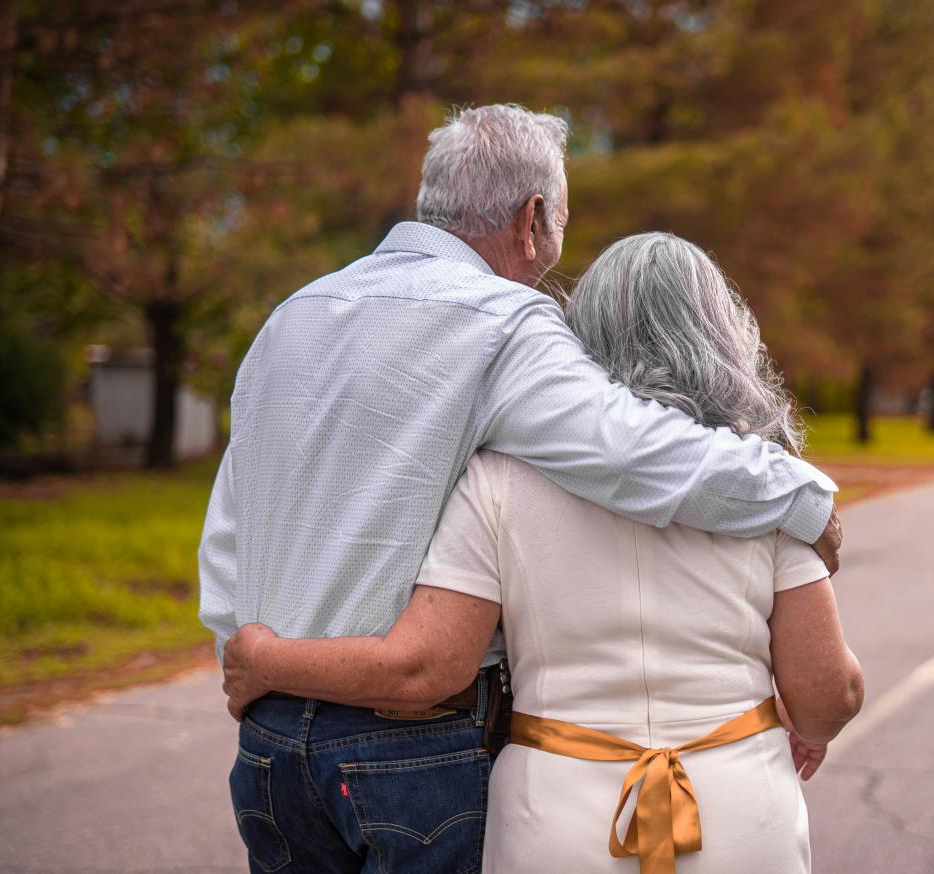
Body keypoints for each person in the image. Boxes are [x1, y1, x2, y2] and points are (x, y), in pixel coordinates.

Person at [198, 104, 842, 874]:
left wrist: (250, 661)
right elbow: (634, 454)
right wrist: (805, 497)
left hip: (269, 744)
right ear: (533, 218)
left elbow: (232, 525)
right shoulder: (507, 323)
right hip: (411, 750)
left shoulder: (291, 318)